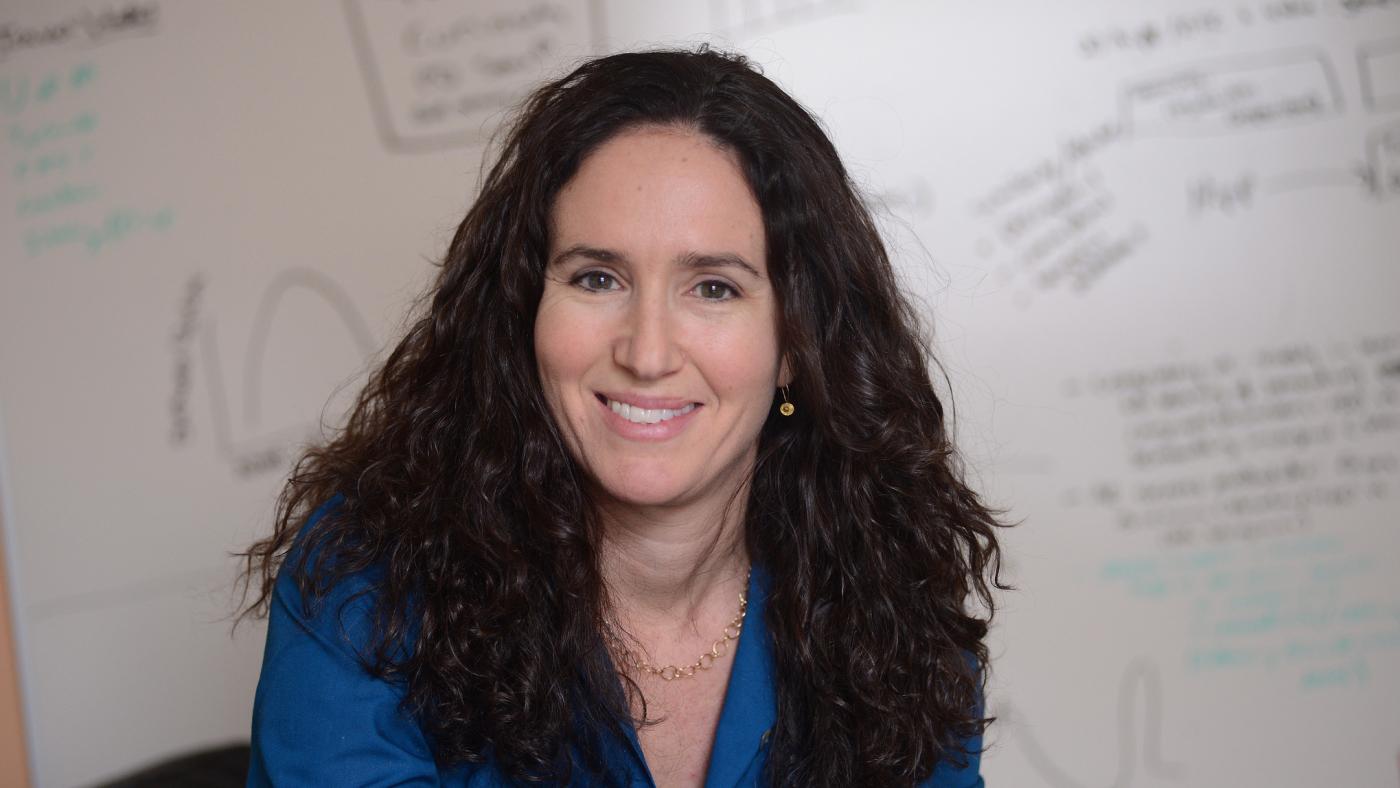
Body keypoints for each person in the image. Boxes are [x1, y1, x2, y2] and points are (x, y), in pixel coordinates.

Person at [239, 45, 1005, 787]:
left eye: (714, 288)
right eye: (597, 277)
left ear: (796, 345)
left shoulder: (890, 604)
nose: (646, 352)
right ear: (524, 307)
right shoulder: (369, 580)